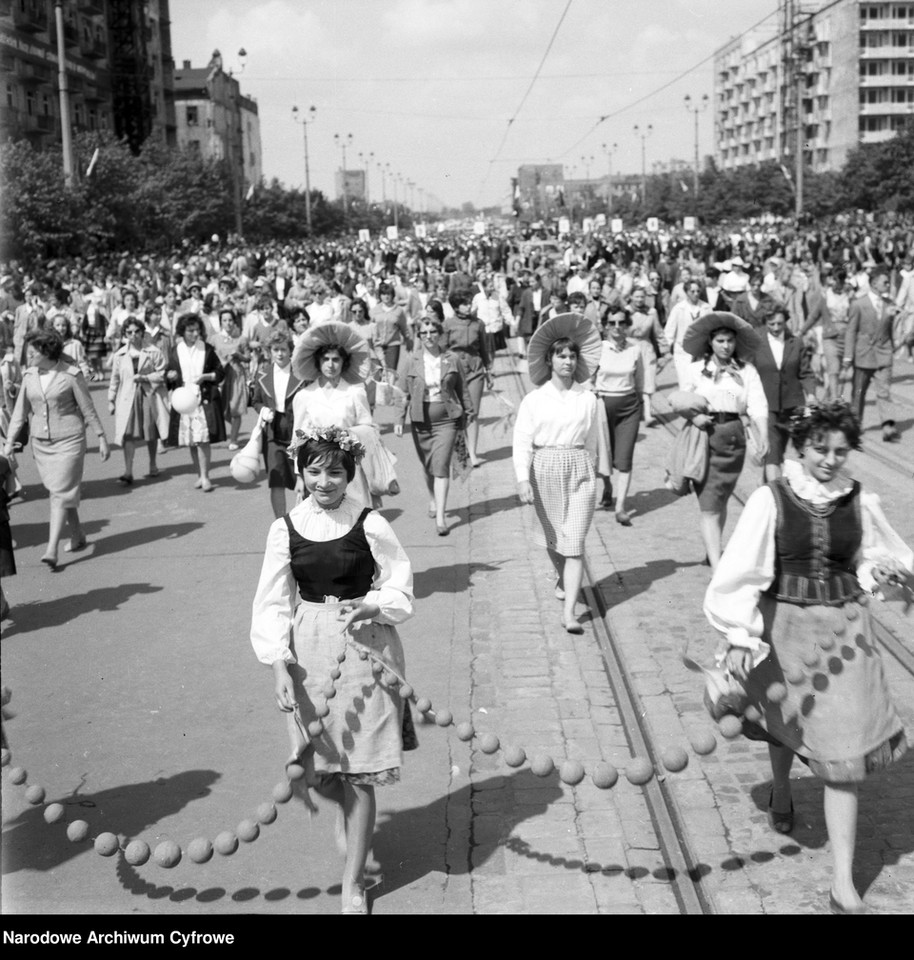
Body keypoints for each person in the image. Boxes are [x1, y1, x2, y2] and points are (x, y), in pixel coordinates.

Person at [703, 402, 912, 915]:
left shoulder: (859, 499)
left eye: (841, 452)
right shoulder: (771, 500)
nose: (830, 460)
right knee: (785, 721)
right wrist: (739, 633)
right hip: (786, 629)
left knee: (844, 758)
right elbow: (744, 569)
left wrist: (883, 574)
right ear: (802, 445)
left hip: (846, 635)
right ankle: (780, 788)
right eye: (821, 449)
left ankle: (843, 881)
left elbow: (869, 560)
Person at [250, 426, 415, 915]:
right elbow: (272, 602)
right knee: (321, 766)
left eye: (336, 472)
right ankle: (345, 816)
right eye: (315, 470)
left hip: (365, 646)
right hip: (309, 652)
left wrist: (372, 605)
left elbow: (401, 587)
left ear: (350, 475)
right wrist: (278, 665)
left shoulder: (370, 524)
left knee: (360, 772)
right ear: (301, 472)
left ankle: (354, 884)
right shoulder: (285, 528)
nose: (325, 481)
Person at [512, 314, 608, 634]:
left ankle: (569, 613)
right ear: (550, 360)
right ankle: (562, 577)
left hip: (579, 469)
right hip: (545, 469)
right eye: (561, 355)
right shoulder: (534, 400)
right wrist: (523, 479)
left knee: (575, 542)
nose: (567, 361)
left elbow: (593, 440)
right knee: (555, 540)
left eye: (572, 356)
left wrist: (598, 474)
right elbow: (522, 440)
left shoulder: (588, 398)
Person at [3, 330, 110, 567]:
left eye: (33, 351)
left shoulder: (71, 375)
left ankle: (51, 549)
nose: (27, 354)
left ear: (47, 352)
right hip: (42, 444)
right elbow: (19, 414)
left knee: (59, 492)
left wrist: (101, 436)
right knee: (62, 492)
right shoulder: (29, 375)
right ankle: (77, 535)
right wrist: (9, 443)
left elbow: (87, 408)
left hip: (70, 440)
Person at [680, 312, 768, 570]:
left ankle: (712, 550)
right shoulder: (696, 370)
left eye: (730, 340)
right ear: (710, 342)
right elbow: (682, 400)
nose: (726, 346)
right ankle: (718, 566)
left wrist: (762, 435)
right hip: (704, 437)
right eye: (720, 340)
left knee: (721, 499)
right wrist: (694, 418)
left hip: (733, 440)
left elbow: (757, 404)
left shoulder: (746, 371)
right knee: (709, 504)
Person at [292, 323, 395, 509]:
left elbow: (368, 430)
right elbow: (297, 439)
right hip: (318, 469)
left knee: (355, 518)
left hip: (349, 468)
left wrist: (346, 433)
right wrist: (299, 477)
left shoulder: (355, 392)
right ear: (318, 361)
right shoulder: (304, 396)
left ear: (343, 362)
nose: (330, 365)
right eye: (325, 359)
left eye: (336, 360)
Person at [395, 312, 475, 535]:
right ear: (419, 335)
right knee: (429, 465)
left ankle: (441, 517)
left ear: (440, 334)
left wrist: (469, 412)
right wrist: (398, 419)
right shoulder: (411, 360)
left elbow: (462, 389)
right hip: (421, 420)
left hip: (447, 419)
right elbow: (402, 392)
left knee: (441, 467)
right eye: (424, 333)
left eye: (433, 332)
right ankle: (432, 498)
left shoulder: (452, 359)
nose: (429, 336)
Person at [752, 306, 817, 482]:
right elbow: (749, 373)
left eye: (779, 323)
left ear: (785, 322)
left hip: (792, 406)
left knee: (781, 450)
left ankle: (766, 487)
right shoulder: (756, 343)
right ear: (766, 322)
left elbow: (806, 373)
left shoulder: (796, 343)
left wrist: (811, 394)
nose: (775, 327)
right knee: (772, 450)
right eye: (771, 323)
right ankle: (777, 494)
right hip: (767, 405)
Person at [593, 309, 645, 525]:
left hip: (629, 407)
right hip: (603, 406)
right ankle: (607, 486)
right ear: (605, 325)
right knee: (604, 454)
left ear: (627, 325)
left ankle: (621, 507)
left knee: (624, 458)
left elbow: (640, 379)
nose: (617, 327)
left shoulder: (635, 349)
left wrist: (641, 403)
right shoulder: (597, 349)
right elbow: (587, 377)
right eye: (612, 322)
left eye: (621, 322)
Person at [164, 314, 226, 492]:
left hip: (202, 400)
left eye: (197, 330)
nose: (195, 333)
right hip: (183, 401)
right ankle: (199, 474)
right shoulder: (176, 350)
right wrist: (170, 376)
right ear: (182, 332)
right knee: (191, 441)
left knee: (202, 440)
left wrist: (205, 377)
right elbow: (169, 373)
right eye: (190, 330)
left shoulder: (206, 349)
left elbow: (220, 372)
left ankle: (206, 476)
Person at [249, 331, 306, 519]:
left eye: (283, 349)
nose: (280, 354)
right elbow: (256, 400)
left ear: (291, 351)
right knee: (276, 479)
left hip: (297, 430)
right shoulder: (262, 375)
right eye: (275, 350)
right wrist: (262, 409)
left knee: (304, 478)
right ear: (269, 352)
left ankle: (307, 522)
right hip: (273, 432)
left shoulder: (302, 375)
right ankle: (281, 523)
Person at [107, 318, 170, 483]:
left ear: (142, 332)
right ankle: (128, 471)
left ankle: (153, 464)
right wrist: (111, 399)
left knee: (150, 430)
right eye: (129, 332)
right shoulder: (120, 355)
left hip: (148, 394)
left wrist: (145, 377)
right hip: (128, 397)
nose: (133, 335)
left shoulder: (153, 351)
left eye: (136, 331)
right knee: (128, 434)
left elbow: (163, 373)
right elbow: (114, 379)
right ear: (125, 334)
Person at [843, 267, 901, 443]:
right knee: (859, 392)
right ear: (874, 283)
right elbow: (851, 331)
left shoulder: (890, 304)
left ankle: (888, 427)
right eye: (885, 282)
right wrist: (847, 356)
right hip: (864, 355)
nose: (888, 285)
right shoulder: (858, 304)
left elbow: (893, 329)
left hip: (883, 354)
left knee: (884, 392)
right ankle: (855, 425)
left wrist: (895, 344)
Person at [443, 295, 491, 468]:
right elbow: (442, 348)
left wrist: (489, 371)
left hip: (475, 369)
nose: (468, 305)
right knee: (457, 410)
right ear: (456, 306)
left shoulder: (478, 324)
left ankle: (473, 453)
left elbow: (485, 349)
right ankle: (460, 452)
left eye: (469, 302)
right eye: (464, 302)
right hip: (454, 370)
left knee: (473, 412)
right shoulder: (447, 324)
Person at [210, 307, 251, 450]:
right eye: (224, 320)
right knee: (220, 408)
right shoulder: (214, 339)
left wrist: (238, 356)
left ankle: (233, 439)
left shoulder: (241, 339)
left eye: (230, 320)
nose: (227, 323)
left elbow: (248, 358)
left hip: (236, 376)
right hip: (221, 377)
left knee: (236, 409)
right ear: (220, 322)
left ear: (234, 322)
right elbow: (209, 357)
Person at [664, 278, 711, 389]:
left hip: (701, 350)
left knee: (700, 381)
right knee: (685, 381)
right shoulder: (678, 308)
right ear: (686, 292)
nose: (695, 294)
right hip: (682, 351)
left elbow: (712, 328)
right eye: (692, 291)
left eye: (698, 291)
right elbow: (669, 330)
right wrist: (666, 350)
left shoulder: (706, 308)